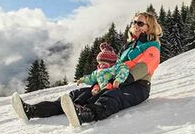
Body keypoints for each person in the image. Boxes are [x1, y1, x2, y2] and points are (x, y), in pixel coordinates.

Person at [11, 11, 162, 127]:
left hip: (137, 86)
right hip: (116, 80)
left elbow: (143, 68)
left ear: (150, 28)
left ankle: (85, 114)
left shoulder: (152, 47)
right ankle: (32, 111)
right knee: (78, 94)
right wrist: (99, 83)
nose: (135, 25)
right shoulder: (129, 46)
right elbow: (114, 68)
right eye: (134, 22)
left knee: (112, 97)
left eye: (140, 23)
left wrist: (118, 82)